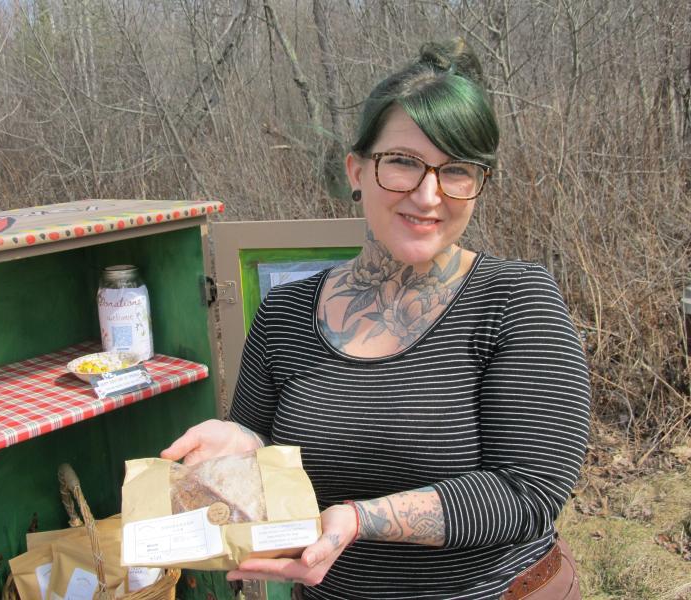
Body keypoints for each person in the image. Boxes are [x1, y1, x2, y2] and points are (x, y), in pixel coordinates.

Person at [162, 37, 590, 600]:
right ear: (357, 169)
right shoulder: (287, 315)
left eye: (456, 170)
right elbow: (264, 446)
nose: (428, 194)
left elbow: (529, 491)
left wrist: (361, 519)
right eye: (404, 163)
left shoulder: (515, 300)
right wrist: (237, 440)